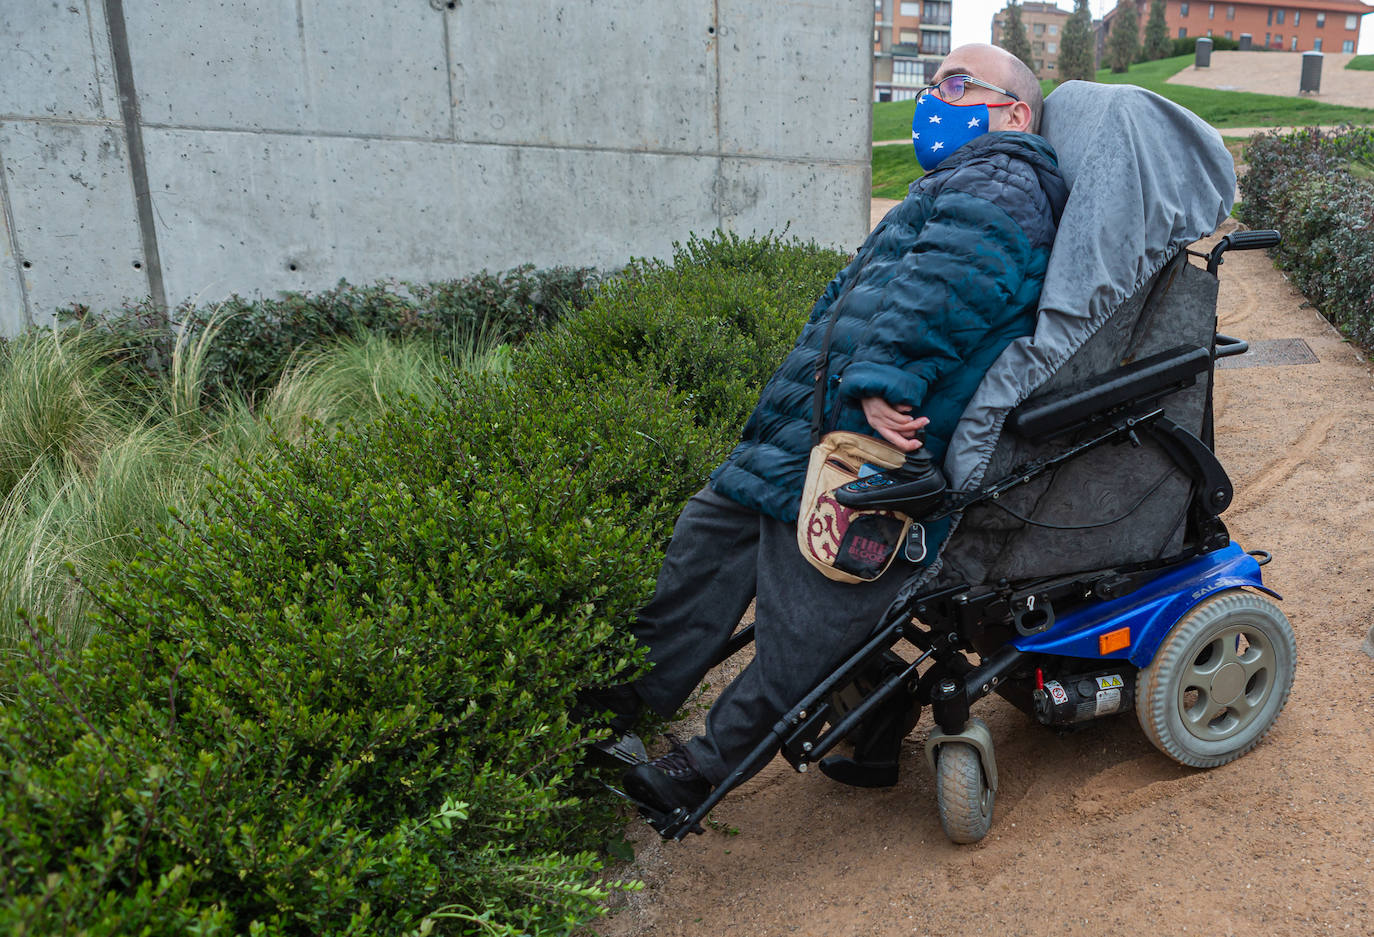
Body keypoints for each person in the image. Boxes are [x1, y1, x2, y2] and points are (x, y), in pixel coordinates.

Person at [598, 43, 1070, 818]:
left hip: (862, 449)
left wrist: (889, 374)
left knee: (805, 628)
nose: (935, 95)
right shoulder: (953, 181)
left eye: (957, 83)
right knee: (693, 568)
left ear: (1012, 112)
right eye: (936, 80)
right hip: (795, 435)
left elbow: (949, 281)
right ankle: (607, 714)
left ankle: (698, 772)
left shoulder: (1006, 175)